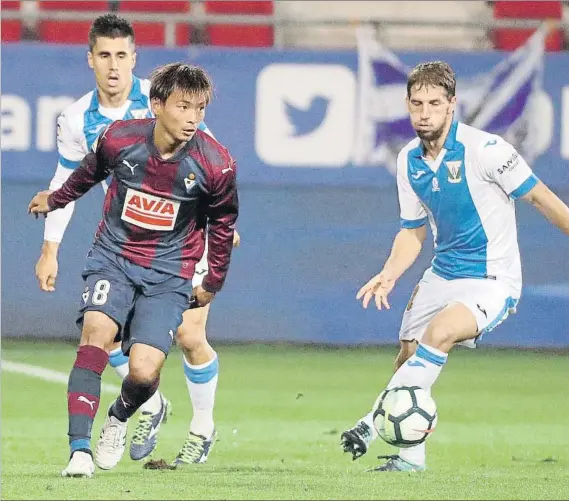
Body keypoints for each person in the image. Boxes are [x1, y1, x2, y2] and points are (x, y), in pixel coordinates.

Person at [340, 61, 569, 472]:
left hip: (491, 280)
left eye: (433, 103)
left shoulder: (488, 150)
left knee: (440, 333)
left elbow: (542, 199)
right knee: (408, 357)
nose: (424, 112)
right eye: (416, 104)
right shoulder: (408, 160)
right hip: (442, 274)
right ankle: (410, 460)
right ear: (407, 106)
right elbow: (411, 232)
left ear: (452, 105)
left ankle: (367, 426)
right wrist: (390, 272)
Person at [35, 13, 238, 465]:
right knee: (104, 333)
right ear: (90, 59)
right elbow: (67, 180)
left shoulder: (165, 98)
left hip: (184, 238)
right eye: (104, 55)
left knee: (188, 333)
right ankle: (147, 402)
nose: (114, 66)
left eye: (122, 55)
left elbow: (208, 164)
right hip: (125, 242)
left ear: (134, 59)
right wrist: (50, 247)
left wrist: (224, 227)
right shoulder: (77, 119)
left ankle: (202, 427)